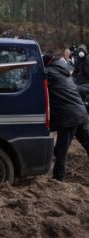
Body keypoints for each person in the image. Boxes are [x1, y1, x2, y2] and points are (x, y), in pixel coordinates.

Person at [43, 53, 88, 181]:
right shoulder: (63, 71)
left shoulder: (50, 73)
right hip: (80, 112)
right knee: (86, 142)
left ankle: (58, 178)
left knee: (61, 149)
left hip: (68, 117)